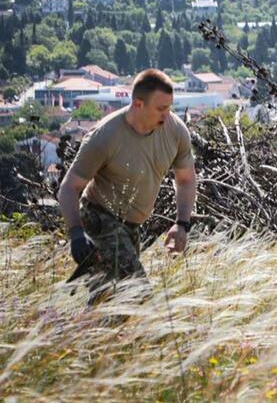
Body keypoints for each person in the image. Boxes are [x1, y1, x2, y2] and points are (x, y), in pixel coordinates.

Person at [58, 69, 197, 302]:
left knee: (109, 303)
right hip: (100, 219)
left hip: (131, 228)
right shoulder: (105, 136)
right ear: (138, 104)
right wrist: (77, 234)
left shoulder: (175, 131)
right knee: (137, 295)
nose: (167, 115)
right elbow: (68, 188)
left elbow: (186, 180)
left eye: (169, 107)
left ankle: (66, 321)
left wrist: (182, 224)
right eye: (160, 109)